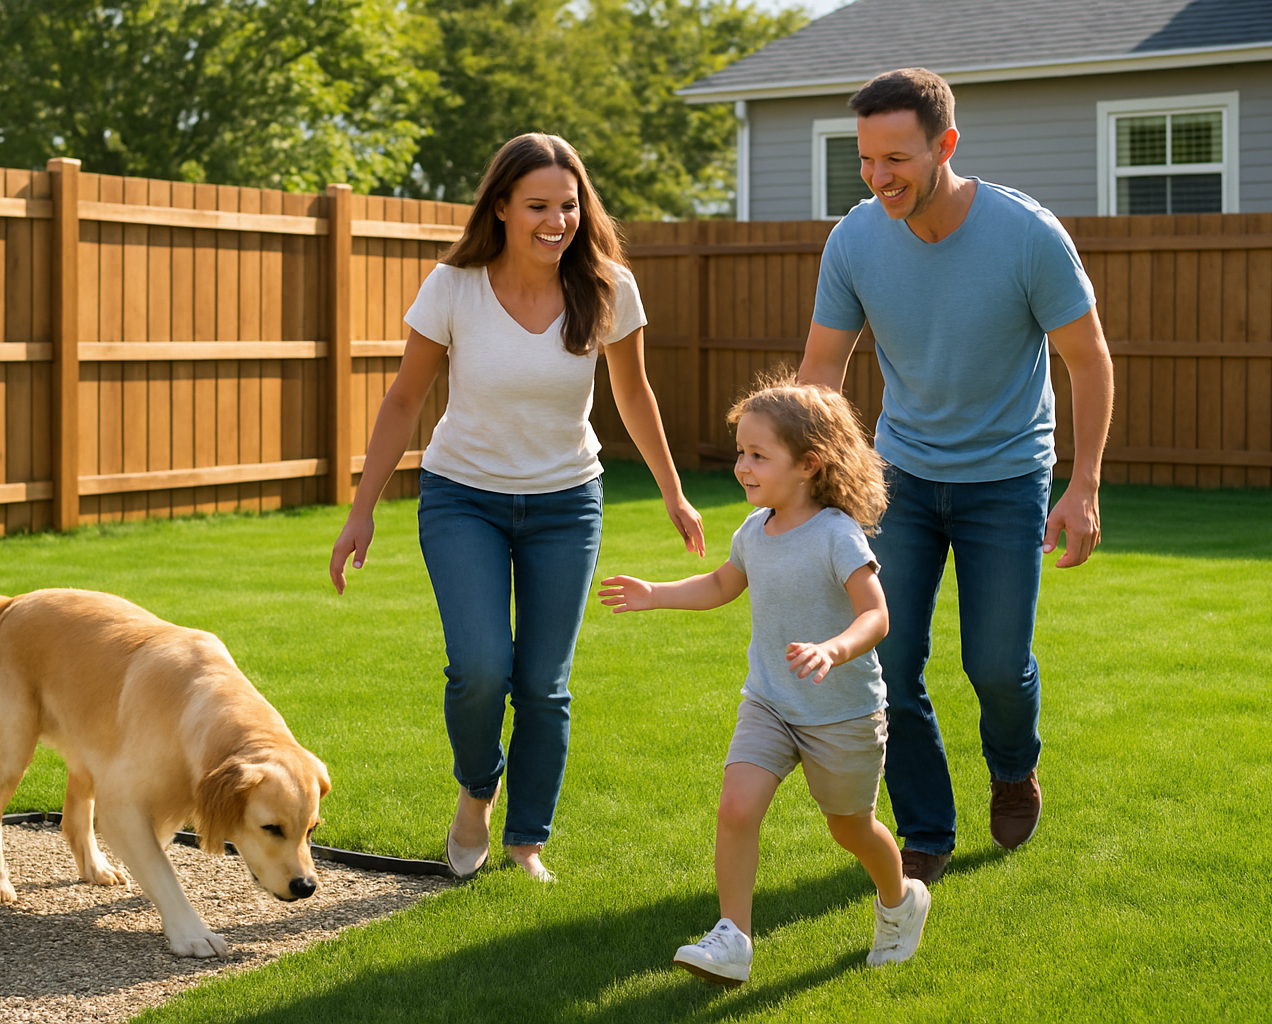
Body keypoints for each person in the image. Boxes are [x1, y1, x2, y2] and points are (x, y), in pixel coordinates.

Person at [329, 133, 705, 884]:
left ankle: (526, 840)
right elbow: (405, 397)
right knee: (478, 668)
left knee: (542, 681)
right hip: (462, 496)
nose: (556, 221)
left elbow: (632, 394)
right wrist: (361, 508)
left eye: (568, 205)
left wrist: (673, 490)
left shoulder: (606, 287)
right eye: (538, 206)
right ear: (500, 207)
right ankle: (477, 789)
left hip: (566, 503)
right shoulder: (454, 287)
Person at [797, 67, 1115, 883]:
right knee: (889, 661)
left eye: (896, 158)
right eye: (865, 160)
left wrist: (1082, 487)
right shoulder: (856, 238)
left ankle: (1013, 767)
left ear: (946, 145)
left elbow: (1088, 361)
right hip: (898, 475)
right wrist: (807, 482)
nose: (877, 178)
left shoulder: (1025, 234)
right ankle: (925, 830)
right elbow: (822, 371)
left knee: (996, 665)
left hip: (1008, 475)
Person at [599, 377, 929, 985]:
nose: (741, 467)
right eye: (740, 453)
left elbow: (876, 614)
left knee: (850, 828)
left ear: (808, 464)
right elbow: (723, 585)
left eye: (757, 455)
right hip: (771, 703)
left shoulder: (836, 534)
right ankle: (733, 938)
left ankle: (900, 899)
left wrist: (834, 648)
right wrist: (655, 594)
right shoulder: (754, 532)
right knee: (736, 806)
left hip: (843, 713)